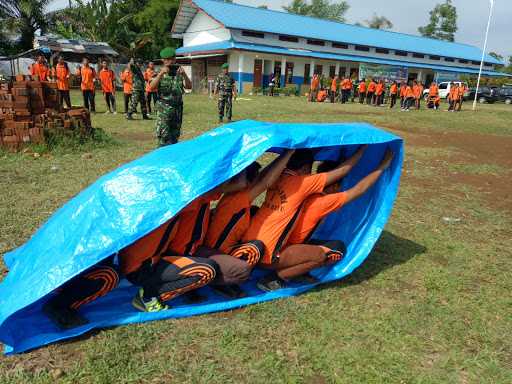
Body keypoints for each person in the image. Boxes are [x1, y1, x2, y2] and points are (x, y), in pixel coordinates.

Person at [257, 149, 394, 290]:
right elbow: (360, 189)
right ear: (335, 185)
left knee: (328, 244)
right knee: (334, 251)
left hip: (260, 249)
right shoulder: (323, 201)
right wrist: (382, 165)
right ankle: (276, 278)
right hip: (275, 255)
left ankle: (293, 266)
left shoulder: (293, 186)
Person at [243, 146, 368, 277]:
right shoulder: (306, 186)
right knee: (333, 251)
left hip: (248, 249)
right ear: (304, 169)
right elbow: (351, 180)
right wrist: (371, 154)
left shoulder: (277, 176)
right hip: (269, 257)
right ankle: (278, 278)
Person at [203, 150, 294, 297]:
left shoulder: (232, 195)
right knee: (255, 248)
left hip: (213, 250)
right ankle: (224, 282)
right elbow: (266, 181)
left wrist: (282, 156)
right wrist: (289, 153)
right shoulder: (238, 199)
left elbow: (263, 176)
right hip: (218, 253)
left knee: (254, 211)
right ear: (248, 183)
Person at [119, 216, 217, 312]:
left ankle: (154, 289)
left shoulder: (172, 207)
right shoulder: (165, 209)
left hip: (152, 262)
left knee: (208, 266)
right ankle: (148, 297)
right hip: (142, 268)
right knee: (206, 270)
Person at [43, 258, 119, 328]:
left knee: (52, 306)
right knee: (52, 306)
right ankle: (69, 320)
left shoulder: (107, 275)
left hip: (105, 274)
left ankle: (71, 321)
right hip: (100, 273)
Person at [150, 47, 191, 146]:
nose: (170, 61)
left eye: (172, 59)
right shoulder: (158, 72)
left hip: (177, 108)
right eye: (167, 59)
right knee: (163, 136)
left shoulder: (179, 72)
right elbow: (151, 87)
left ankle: (172, 158)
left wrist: (184, 74)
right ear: (163, 61)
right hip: (164, 109)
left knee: (175, 135)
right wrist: (160, 74)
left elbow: (189, 86)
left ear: (175, 59)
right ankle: (162, 158)